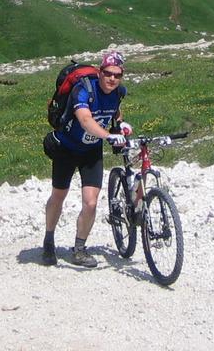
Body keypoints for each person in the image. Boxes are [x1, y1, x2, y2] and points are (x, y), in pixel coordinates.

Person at [42, 51, 131, 268]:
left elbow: (115, 113)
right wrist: (108, 135)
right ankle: (48, 240)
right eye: (108, 73)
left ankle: (79, 249)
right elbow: (84, 119)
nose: (112, 79)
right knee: (58, 196)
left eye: (117, 75)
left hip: (91, 151)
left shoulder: (118, 92)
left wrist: (120, 126)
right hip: (67, 148)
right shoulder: (84, 89)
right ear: (100, 72)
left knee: (91, 203)